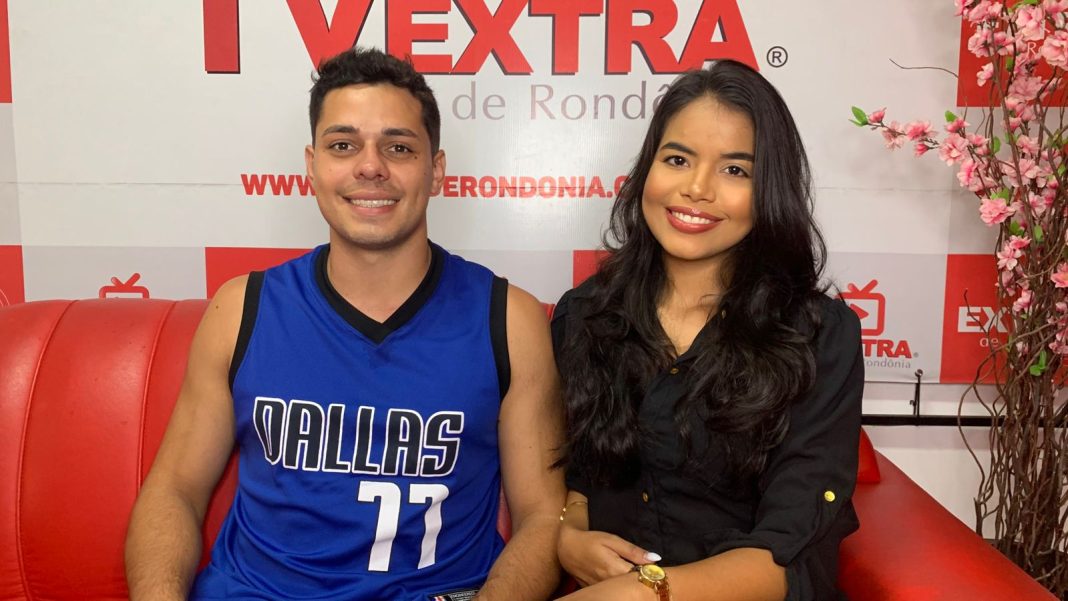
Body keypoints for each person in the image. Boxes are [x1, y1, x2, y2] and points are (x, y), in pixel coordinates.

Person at [125, 47, 565, 601]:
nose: (370, 166)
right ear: (312, 166)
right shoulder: (240, 309)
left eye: (398, 147)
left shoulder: (508, 320)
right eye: (343, 145)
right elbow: (175, 491)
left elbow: (543, 516)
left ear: (436, 169)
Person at [551, 60, 864, 601]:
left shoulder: (818, 335)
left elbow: (789, 549)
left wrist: (644, 592)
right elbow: (576, 476)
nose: (697, 189)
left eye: (735, 170)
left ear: (769, 190)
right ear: (648, 169)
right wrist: (569, 534)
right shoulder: (585, 315)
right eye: (677, 159)